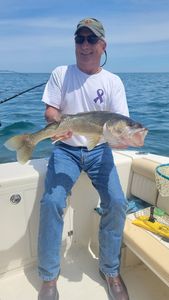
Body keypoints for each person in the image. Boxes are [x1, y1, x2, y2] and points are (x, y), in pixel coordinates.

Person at [38, 17, 130, 300]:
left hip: (98, 150)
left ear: (103, 45)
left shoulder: (113, 81)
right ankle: (49, 277)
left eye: (92, 40)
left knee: (117, 201)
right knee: (52, 201)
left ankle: (110, 269)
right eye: (80, 39)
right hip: (65, 149)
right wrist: (59, 122)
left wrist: (121, 139)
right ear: (75, 43)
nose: (85, 45)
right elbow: (50, 111)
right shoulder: (61, 73)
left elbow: (119, 125)